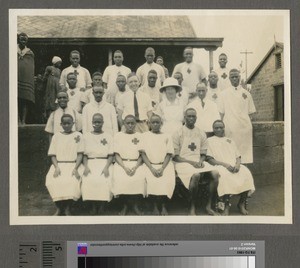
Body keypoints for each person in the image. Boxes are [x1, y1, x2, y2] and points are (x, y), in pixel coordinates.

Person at [173, 108, 219, 215]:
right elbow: (175, 157)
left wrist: (201, 161)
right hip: (182, 163)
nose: (191, 118)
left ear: (196, 118)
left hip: (198, 162)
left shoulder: (200, 132)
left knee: (215, 174)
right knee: (196, 175)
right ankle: (192, 207)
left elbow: (203, 153)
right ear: (184, 118)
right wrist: (192, 163)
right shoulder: (178, 133)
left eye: (193, 116)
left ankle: (208, 206)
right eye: (189, 116)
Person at [207, 120, 255, 215]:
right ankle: (226, 206)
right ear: (213, 129)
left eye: (221, 127)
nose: (219, 129)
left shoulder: (230, 140)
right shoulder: (209, 141)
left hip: (233, 165)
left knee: (245, 172)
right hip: (220, 165)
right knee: (225, 176)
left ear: (224, 128)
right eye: (216, 128)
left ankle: (241, 203)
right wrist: (225, 165)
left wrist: (237, 165)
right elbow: (209, 159)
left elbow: (238, 156)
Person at [45, 114, 84, 216]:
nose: (67, 125)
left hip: (74, 165)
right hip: (59, 165)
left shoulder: (78, 136)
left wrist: (76, 168)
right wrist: (56, 167)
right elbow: (52, 154)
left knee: (72, 182)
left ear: (73, 123)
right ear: (61, 124)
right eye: (64, 123)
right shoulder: (56, 136)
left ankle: (67, 208)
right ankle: (59, 207)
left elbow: (80, 154)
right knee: (52, 180)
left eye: (69, 123)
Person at [140, 114, 175, 215]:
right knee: (151, 180)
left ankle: (163, 206)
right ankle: (155, 206)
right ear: (149, 124)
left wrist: (162, 168)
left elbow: (169, 154)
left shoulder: (167, 136)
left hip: (165, 164)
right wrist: (151, 168)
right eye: (153, 122)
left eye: (157, 122)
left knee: (166, 180)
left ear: (161, 124)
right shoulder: (145, 136)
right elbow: (143, 154)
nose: (155, 124)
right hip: (149, 165)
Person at [218, 69, 256, 163]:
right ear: (229, 78)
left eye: (236, 77)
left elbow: (251, 113)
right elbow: (221, 114)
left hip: (244, 130)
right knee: (230, 155)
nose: (234, 79)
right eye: (232, 77)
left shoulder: (247, 94)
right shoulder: (223, 94)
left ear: (240, 77)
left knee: (244, 157)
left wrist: (247, 127)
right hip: (230, 128)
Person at [112, 115, 146, 215]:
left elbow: (142, 155)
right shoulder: (118, 136)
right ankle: (125, 206)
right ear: (124, 124)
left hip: (137, 163)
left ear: (135, 124)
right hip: (122, 163)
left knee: (139, 177)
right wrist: (124, 167)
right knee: (121, 177)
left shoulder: (140, 136)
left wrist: (135, 167)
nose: (130, 125)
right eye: (128, 123)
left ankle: (135, 205)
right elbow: (116, 154)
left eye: (132, 123)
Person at [82, 113, 114, 215]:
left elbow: (110, 155)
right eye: (95, 122)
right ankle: (93, 206)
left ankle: (102, 206)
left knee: (104, 180)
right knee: (89, 180)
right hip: (90, 162)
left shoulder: (108, 136)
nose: (97, 124)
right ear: (92, 123)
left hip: (104, 162)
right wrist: (86, 167)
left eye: (99, 122)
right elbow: (84, 155)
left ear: (103, 123)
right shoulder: (86, 136)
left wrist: (106, 167)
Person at [18, 32, 35, 125]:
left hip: (25, 79)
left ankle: (23, 120)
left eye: (25, 39)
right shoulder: (13, 50)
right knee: (15, 100)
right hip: (15, 79)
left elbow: (30, 67)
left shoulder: (29, 53)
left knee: (25, 100)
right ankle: (18, 120)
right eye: (21, 39)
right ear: (18, 39)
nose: (23, 41)